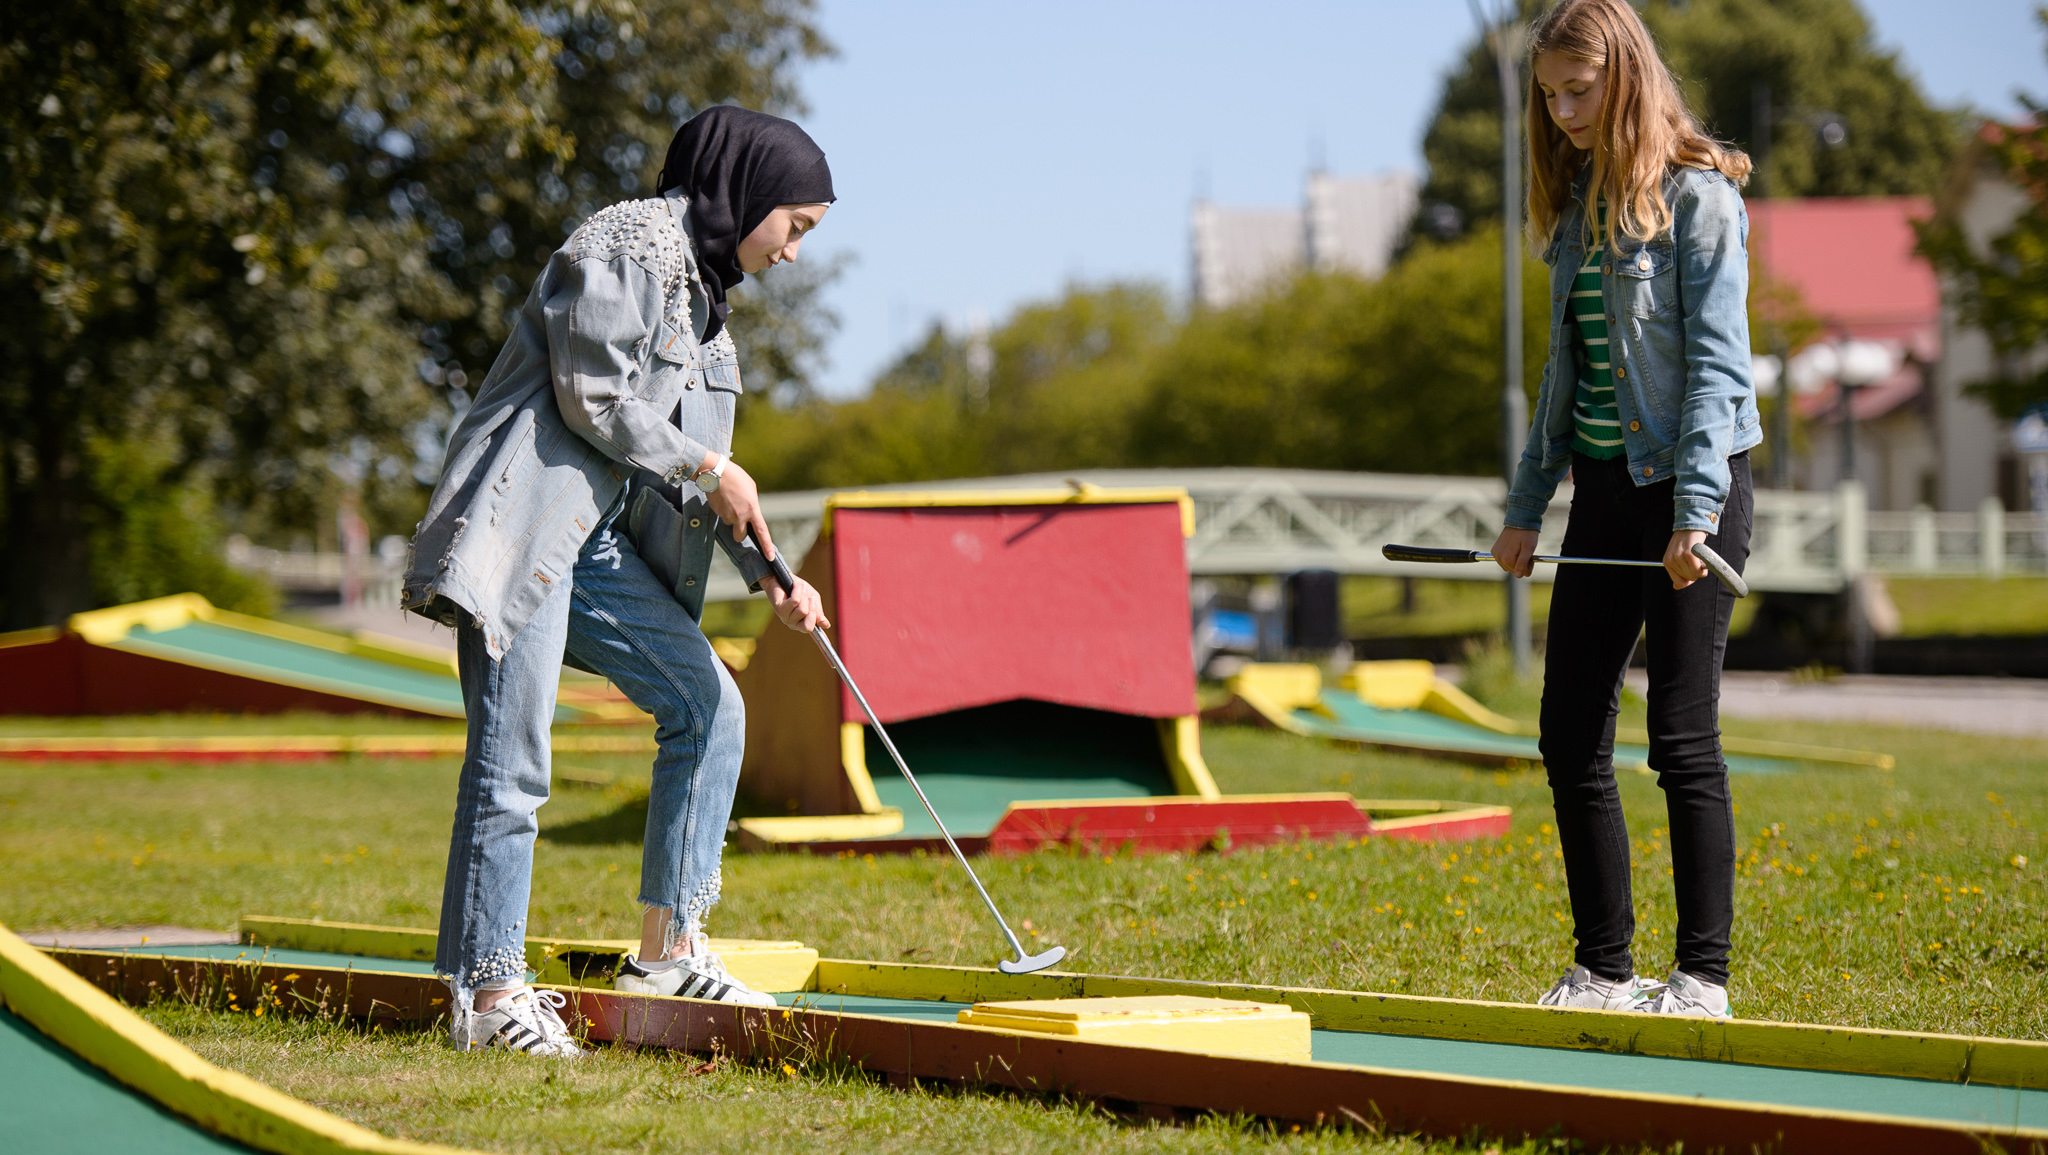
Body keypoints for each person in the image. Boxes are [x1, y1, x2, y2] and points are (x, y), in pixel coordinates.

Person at [402, 106, 835, 1057]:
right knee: (515, 759)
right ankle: (486, 994)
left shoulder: (713, 320)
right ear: (750, 193)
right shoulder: (629, 242)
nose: (795, 251)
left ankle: (669, 952)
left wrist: (773, 571)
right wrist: (715, 473)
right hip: (524, 524)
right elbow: (590, 396)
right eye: (795, 227)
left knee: (709, 704)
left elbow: (694, 477)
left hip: (596, 552)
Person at [1492, 0, 1757, 1019]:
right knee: (1568, 737)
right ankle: (1602, 968)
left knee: (1679, 735)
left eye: (1577, 88)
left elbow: (1711, 373)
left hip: (1695, 487)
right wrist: (1525, 509)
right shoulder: (1573, 208)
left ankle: (1701, 979)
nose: (1559, 109)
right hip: (1602, 493)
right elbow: (1567, 377)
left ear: (1625, 78)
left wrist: (1692, 513)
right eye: (1547, 93)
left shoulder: (1699, 203)